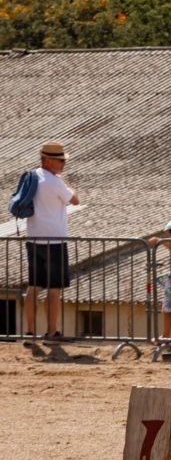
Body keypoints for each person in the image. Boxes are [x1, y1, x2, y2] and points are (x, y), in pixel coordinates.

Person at [24, 141, 79, 340]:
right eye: (60, 160)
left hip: (33, 238)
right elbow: (75, 200)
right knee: (54, 288)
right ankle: (52, 330)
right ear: (48, 160)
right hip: (54, 241)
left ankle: (30, 331)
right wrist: (69, 185)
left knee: (33, 286)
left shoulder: (31, 176)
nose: (63, 164)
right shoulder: (54, 182)